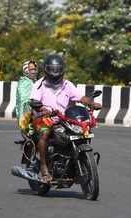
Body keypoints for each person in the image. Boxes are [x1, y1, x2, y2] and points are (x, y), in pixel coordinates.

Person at [30, 54, 100, 183]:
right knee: (44, 133)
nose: (55, 74)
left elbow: (80, 98)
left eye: (58, 70)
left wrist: (91, 103)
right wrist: (41, 108)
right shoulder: (39, 85)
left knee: (81, 132)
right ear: (46, 70)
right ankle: (44, 167)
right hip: (44, 118)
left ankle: (75, 162)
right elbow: (34, 101)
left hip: (64, 119)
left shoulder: (67, 85)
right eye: (52, 70)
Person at [16, 60, 38, 135]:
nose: (34, 71)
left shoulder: (34, 82)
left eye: (35, 69)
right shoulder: (24, 82)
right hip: (28, 118)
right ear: (26, 70)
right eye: (31, 69)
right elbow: (24, 102)